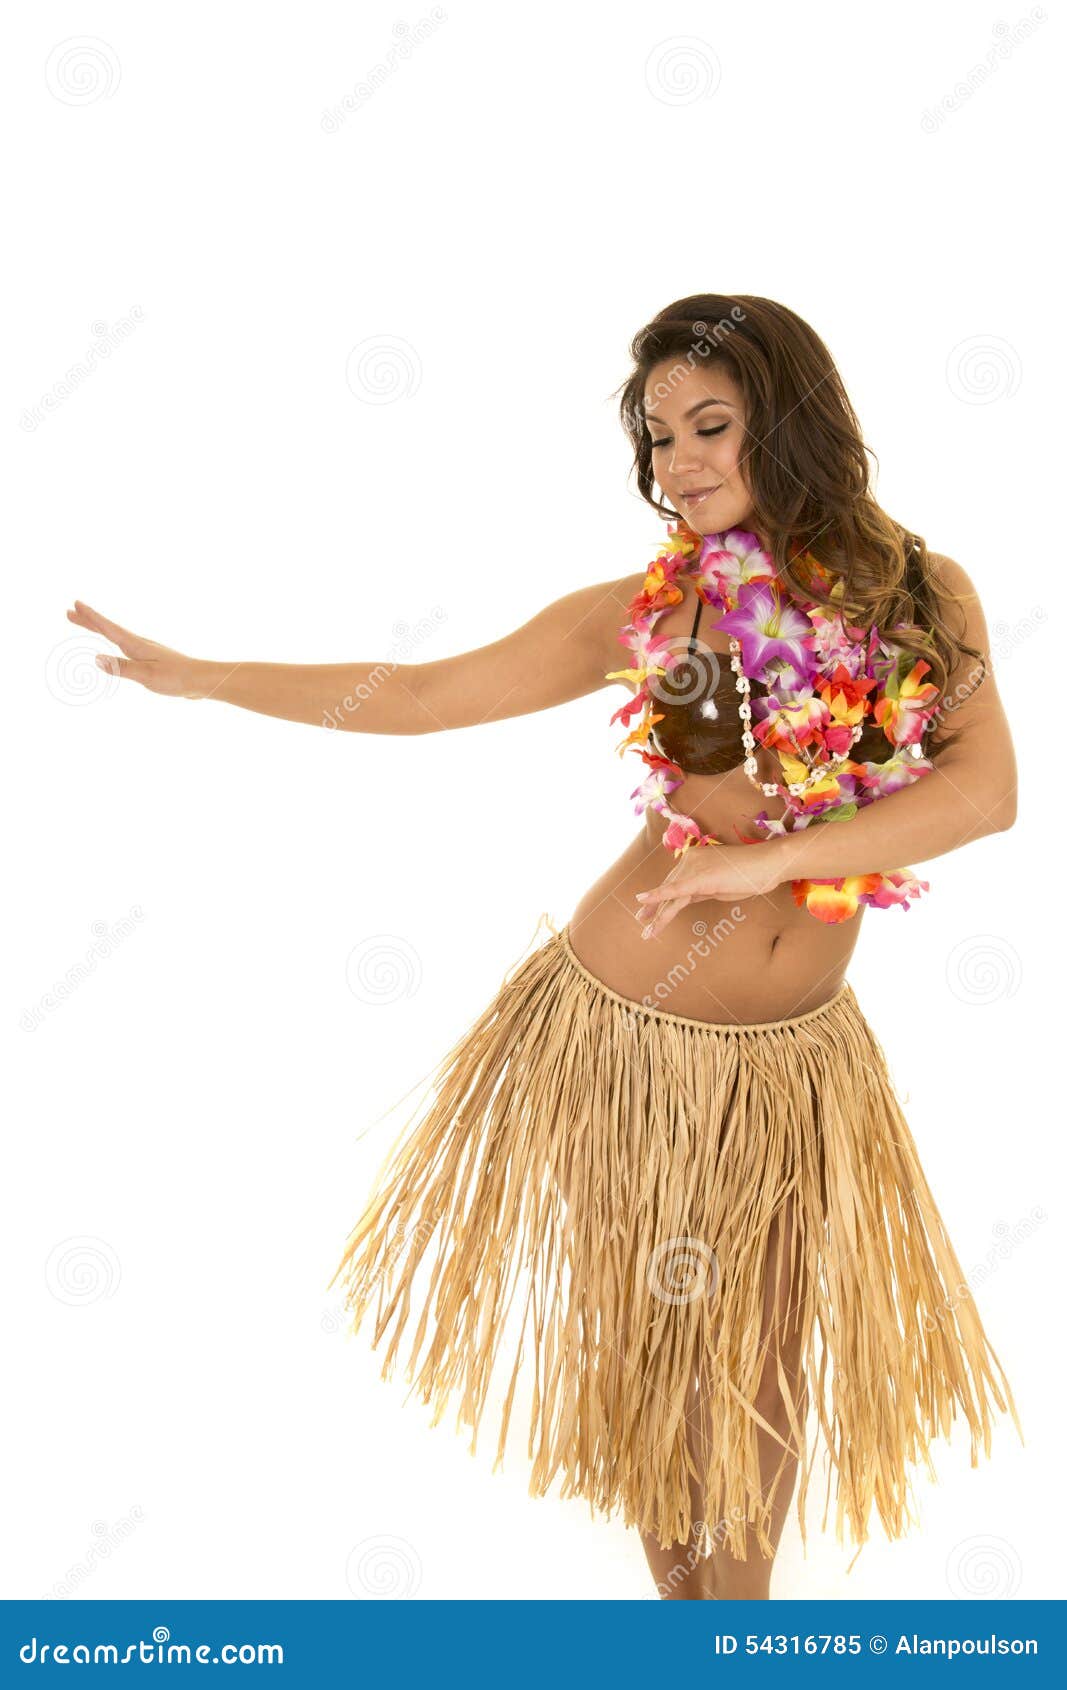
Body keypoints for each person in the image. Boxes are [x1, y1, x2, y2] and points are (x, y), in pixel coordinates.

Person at [66, 293, 1022, 1601]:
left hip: (797, 1060)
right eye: (657, 437)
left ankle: (723, 1645)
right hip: (623, 1031)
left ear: (788, 423)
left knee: (761, 1364)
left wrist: (772, 856)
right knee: (658, 1358)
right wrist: (207, 674)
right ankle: (699, 1643)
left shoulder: (921, 596)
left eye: (709, 425)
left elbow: (983, 792)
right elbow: (415, 696)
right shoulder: (649, 613)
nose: (676, 462)